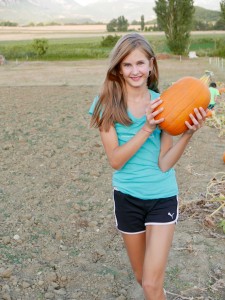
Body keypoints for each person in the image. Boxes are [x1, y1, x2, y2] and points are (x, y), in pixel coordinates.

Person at [89, 33, 207, 300]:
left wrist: (188, 133)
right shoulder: (106, 105)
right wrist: (147, 127)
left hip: (162, 198)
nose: (135, 71)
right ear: (118, 68)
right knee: (144, 280)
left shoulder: (165, 103)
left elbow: (164, 163)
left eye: (140, 63)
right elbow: (116, 160)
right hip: (127, 198)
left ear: (151, 65)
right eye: (127, 65)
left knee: (152, 286)